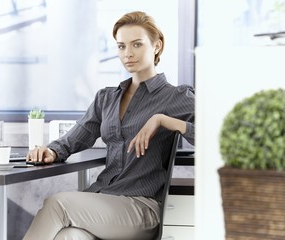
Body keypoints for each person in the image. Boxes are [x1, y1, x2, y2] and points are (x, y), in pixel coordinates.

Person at [23, 11, 195, 240]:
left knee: (57, 204)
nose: (128, 53)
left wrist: (163, 120)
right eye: (121, 46)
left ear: (156, 46)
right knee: (69, 236)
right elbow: (76, 137)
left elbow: (216, 139)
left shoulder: (176, 96)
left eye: (136, 44)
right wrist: (52, 150)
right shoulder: (106, 98)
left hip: (141, 208)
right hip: (104, 198)